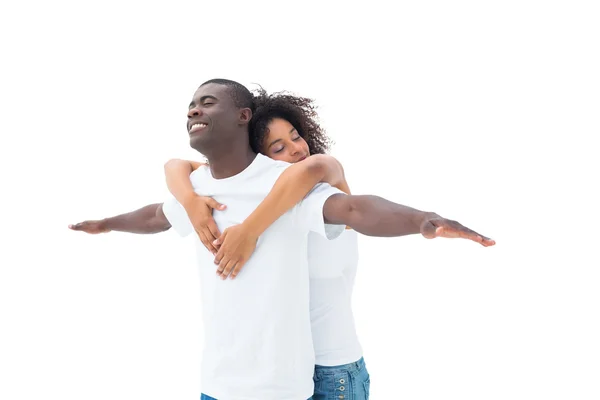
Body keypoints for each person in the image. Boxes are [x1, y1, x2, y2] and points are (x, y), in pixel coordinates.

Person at [69, 79, 494, 400]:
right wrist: (110, 222)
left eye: (295, 138)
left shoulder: (301, 186)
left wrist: (424, 218)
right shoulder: (210, 188)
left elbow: (347, 200)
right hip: (226, 380)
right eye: (276, 147)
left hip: (327, 368)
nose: (293, 151)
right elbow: (161, 202)